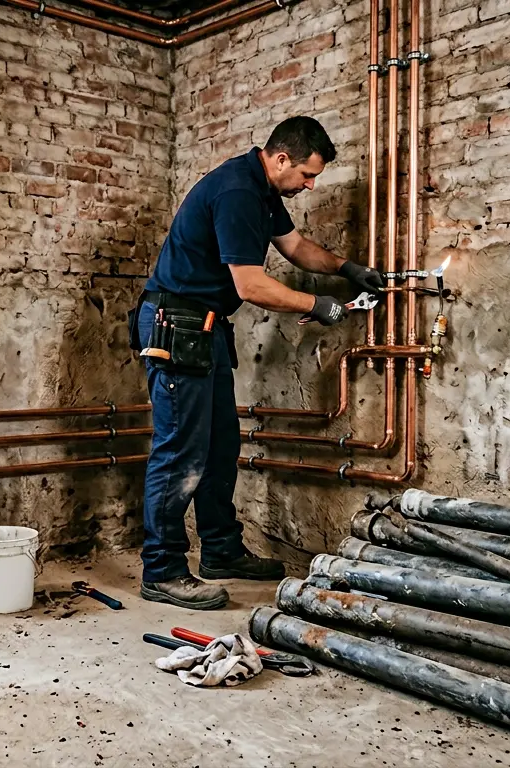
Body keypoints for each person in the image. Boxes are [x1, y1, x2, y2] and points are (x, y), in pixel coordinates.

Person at [130, 116, 384, 610]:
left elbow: (295, 248)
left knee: (221, 445)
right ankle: (161, 569)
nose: (309, 187)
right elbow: (250, 285)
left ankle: (221, 550)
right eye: (307, 176)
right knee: (181, 451)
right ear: (281, 158)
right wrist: (316, 306)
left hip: (205, 329)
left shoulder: (264, 191)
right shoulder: (238, 192)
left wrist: (345, 269)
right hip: (177, 326)